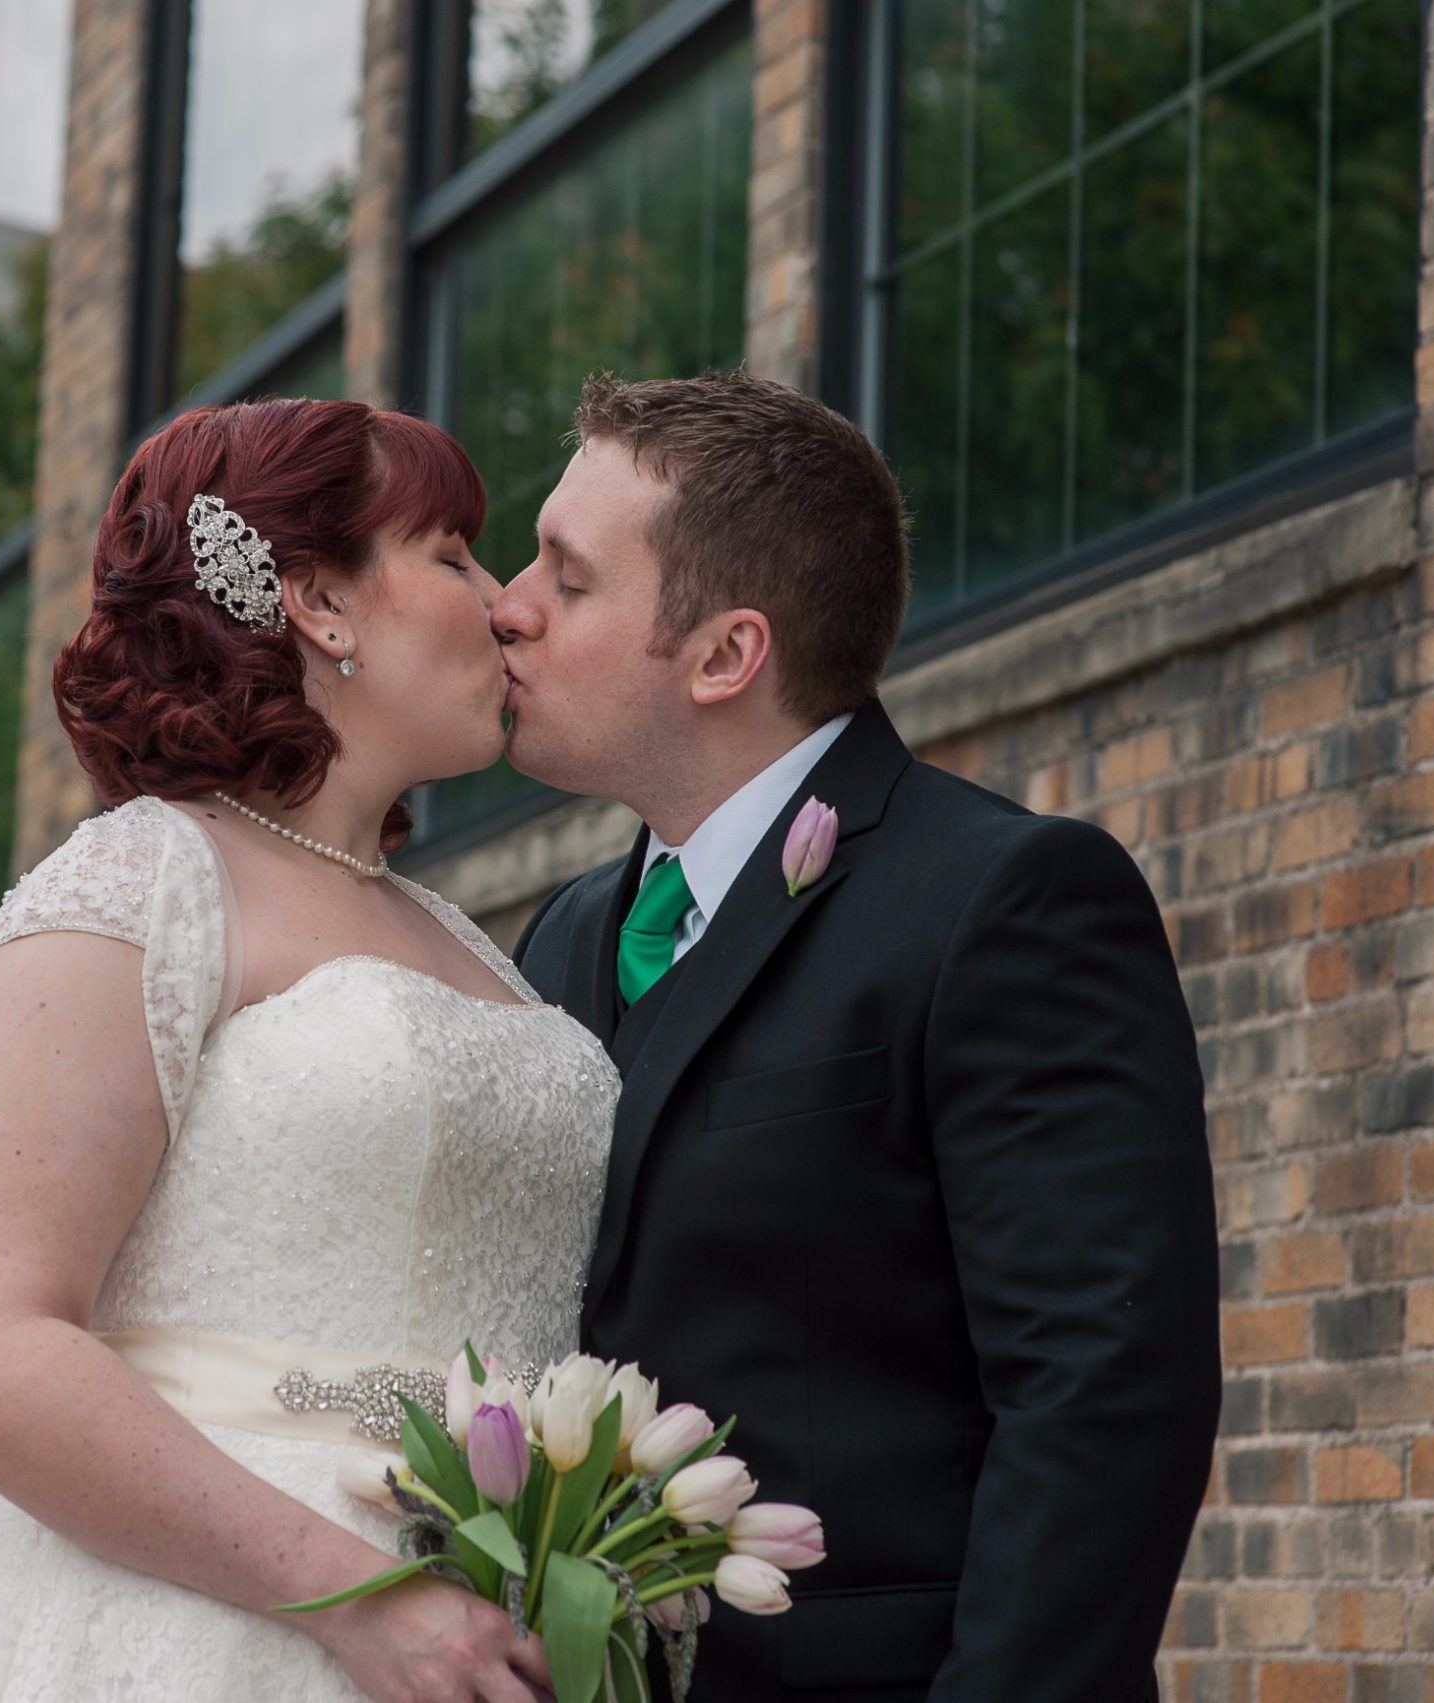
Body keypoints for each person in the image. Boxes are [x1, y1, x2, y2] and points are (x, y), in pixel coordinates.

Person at [0, 397, 613, 1703]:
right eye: (452, 556)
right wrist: (360, 1597)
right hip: (209, 1636)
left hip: (495, 1633)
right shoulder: (135, 886)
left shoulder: (462, 939)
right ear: (320, 602)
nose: (501, 604)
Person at [500, 371, 1222, 1702]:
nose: (507, 604)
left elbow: (1101, 1396)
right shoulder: (561, 937)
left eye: (567, 575)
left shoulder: (1004, 901)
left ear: (726, 654)